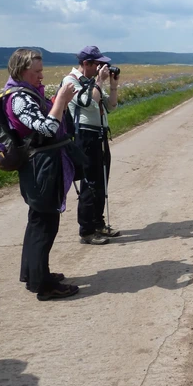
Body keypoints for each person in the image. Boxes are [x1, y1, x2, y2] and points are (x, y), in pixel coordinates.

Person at [5, 48, 80, 300]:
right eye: (36, 71)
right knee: (44, 225)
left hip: (41, 167)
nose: (41, 75)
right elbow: (47, 129)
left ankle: (35, 274)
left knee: (39, 222)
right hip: (39, 169)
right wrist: (60, 100)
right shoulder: (19, 98)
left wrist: (61, 103)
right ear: (22, 71)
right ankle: (44, 286)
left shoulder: (27, 94)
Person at [64, 45, 120, 245]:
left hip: (100, 135)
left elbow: (111, 106)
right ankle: (86, 230)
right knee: (90, 183)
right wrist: (99, 81)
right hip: (85, 137)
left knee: (102, 180)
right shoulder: (71, 81)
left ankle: (98, 223)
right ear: (86, 63)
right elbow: (88, 102)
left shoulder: (91, 81)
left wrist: (112, 85)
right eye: (98, 64)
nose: (101, 67)